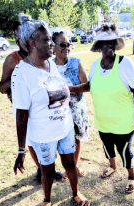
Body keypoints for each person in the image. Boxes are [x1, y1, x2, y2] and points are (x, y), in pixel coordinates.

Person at [11, 14, 90, 206]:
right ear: (32, 43)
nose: (51, 44)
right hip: (43, 135)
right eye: (46, 40)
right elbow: (21, 114)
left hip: (64, 129)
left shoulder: (51, 64)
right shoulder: (21, 73)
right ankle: (47, 199)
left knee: (70, 164)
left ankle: (75, 193)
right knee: (47, 171)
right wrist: (21, 149)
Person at [69, 24, 134, 193]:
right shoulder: (95, 65)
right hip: (103, 118)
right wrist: (71, 88)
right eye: (105, 42)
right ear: (99, 46)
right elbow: (90, 85)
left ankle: (131, 176)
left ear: (116, 44)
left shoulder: (125, 63)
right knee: (107, 145)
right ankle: (112, 166)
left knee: (124, 149)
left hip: (123, 119)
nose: (109, 46)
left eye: (112, 42)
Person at [0, 21, 62, 183]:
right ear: (19, 40)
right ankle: (41, 169)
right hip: (23, 106)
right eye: (22, 38)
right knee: (32, 140)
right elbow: (2, 86)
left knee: (45, 137)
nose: (25, 40)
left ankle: (49, 167)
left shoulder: (42, 56)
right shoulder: (12, 59)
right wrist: (18, 79)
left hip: (43, 105)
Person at [52, 31, 89, 182]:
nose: (66, 47)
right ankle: (64, 166)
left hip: (76, 109)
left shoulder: (76, 62)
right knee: (60, 139)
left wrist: (69, 89)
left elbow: (87, 85)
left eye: (68, 44)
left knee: (76, 138)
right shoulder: (48, 66)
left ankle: (73, 166)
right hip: (57, 110)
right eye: (62, 44)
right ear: (53, 47)